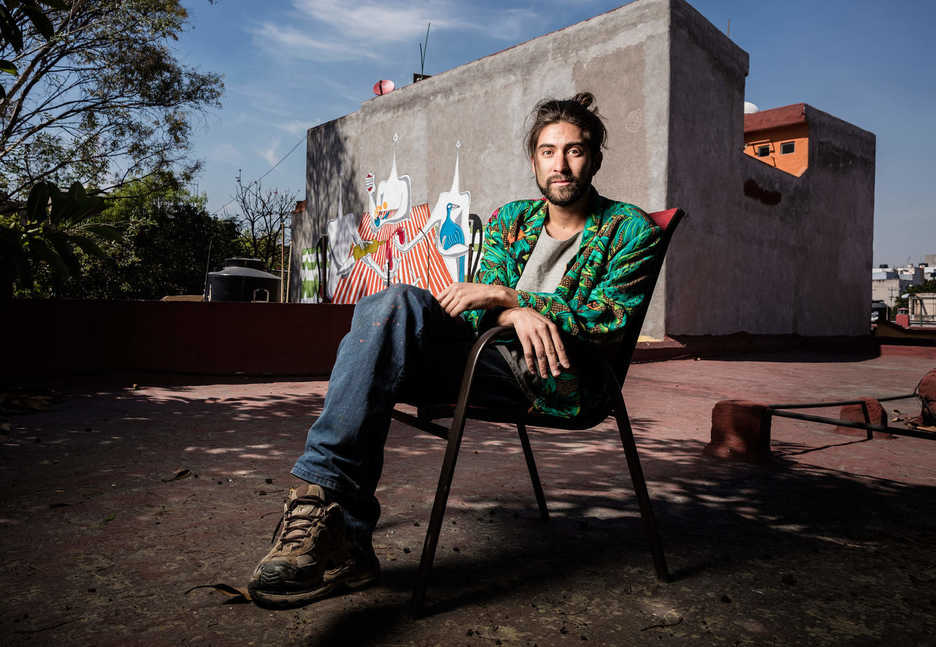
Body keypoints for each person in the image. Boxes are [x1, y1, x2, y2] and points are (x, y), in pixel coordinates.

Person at [247, 92, 663, 608]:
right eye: (549, 151)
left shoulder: (631, 229)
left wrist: (512, 297)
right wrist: (513, 312)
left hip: (557, 378)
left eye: (575, 151)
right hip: (484, 356)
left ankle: (344, 537)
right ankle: (322, 503)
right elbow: (473, 308)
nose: (561, 164)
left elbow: (606, 321)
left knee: (374, 365)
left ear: (595, 158)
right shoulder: (512, 219)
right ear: (534, 160)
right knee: (392, 303)